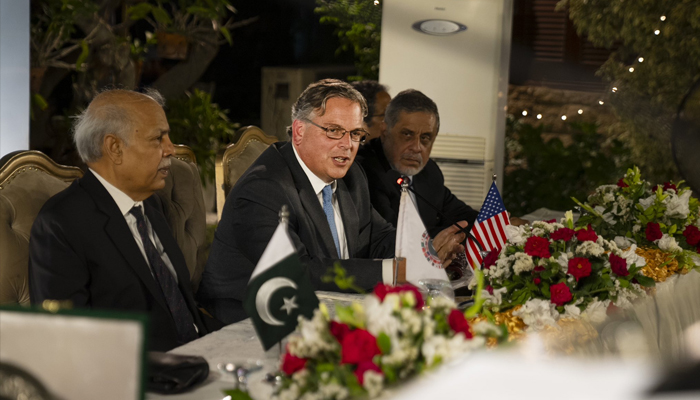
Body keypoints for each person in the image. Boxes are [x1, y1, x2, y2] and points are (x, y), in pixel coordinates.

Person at [198, 79, 466, 324]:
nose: (348, 145)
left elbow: (379, 236)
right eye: (334, 131)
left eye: (355, 134)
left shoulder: (352, 177)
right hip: (255, 321)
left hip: (329, 309)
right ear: (299, 132)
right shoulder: (264, 188)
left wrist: (425, 251)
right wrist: (392, 272)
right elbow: (297, 272)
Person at [29, 89, 221, 351]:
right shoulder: (61, 225)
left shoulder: (151, 203)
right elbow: (67, 342)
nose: (171, 149)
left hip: (202, 354)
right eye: (158, 138)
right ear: (115, 148)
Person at [357, 89, 479, 238]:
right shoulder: (364, 171)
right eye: (407, 134)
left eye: (425, 138)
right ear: (384, 132)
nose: (416, 147)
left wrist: (502, 223)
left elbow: (462, 214)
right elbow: (392, 236)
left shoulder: (429, 171)